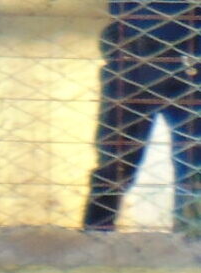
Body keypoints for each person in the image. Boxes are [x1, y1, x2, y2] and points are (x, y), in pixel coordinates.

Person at [82, 0, 201, 231]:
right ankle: (96, 234)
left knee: (193, 158)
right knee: (117, 157)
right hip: (137, 45)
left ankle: (193, 235)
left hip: (182, 46)